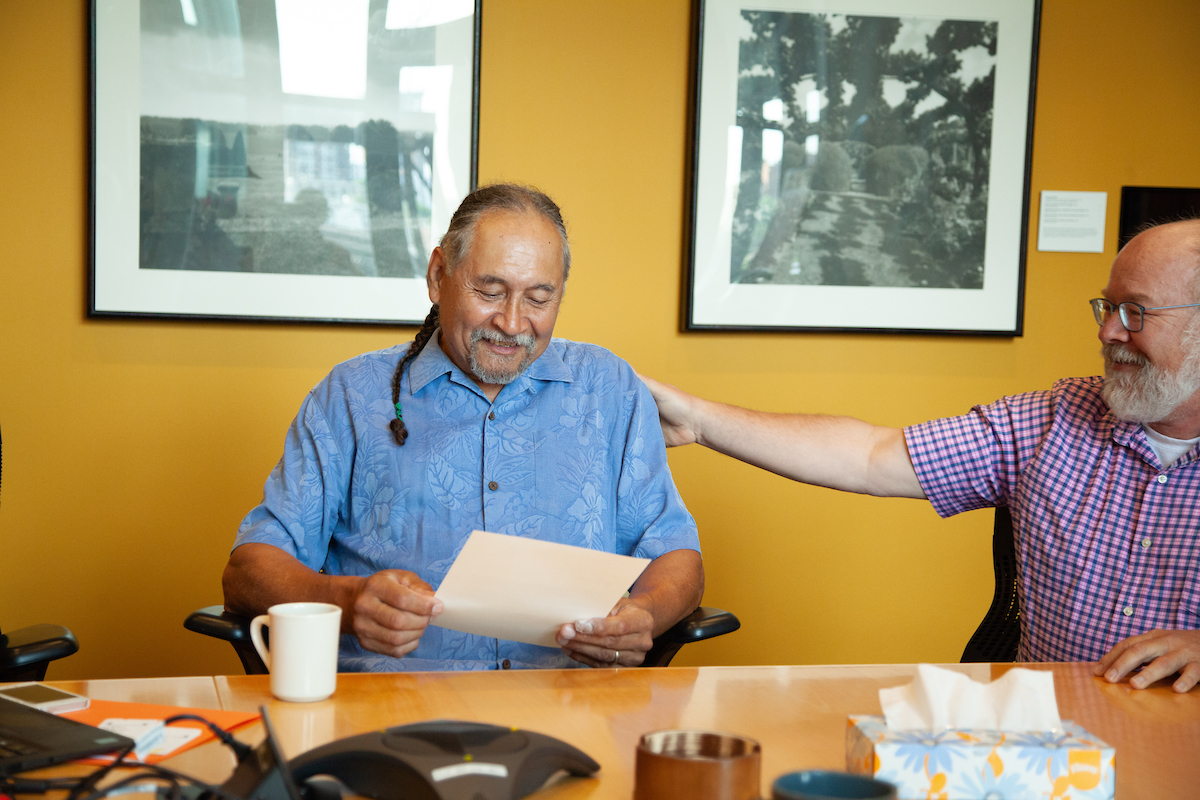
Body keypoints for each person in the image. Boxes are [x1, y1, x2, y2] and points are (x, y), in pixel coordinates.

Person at [643, 219, 1200, 693]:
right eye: (1108, 306)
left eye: (1136, 312)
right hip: (1047, 745)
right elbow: (868, 456)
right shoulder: (1055, 418)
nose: (1107, 331)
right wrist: (696, 418)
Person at [224, 184, 703, 671]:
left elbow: (675, 553)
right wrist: (345, 602)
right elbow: (247, 572)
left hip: (577, 712)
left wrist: (645, 614)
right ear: (438, 277)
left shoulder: (609, 388)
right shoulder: (351, 395)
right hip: (395, 718)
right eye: (490, 292)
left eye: (539, 299)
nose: (513, 323)